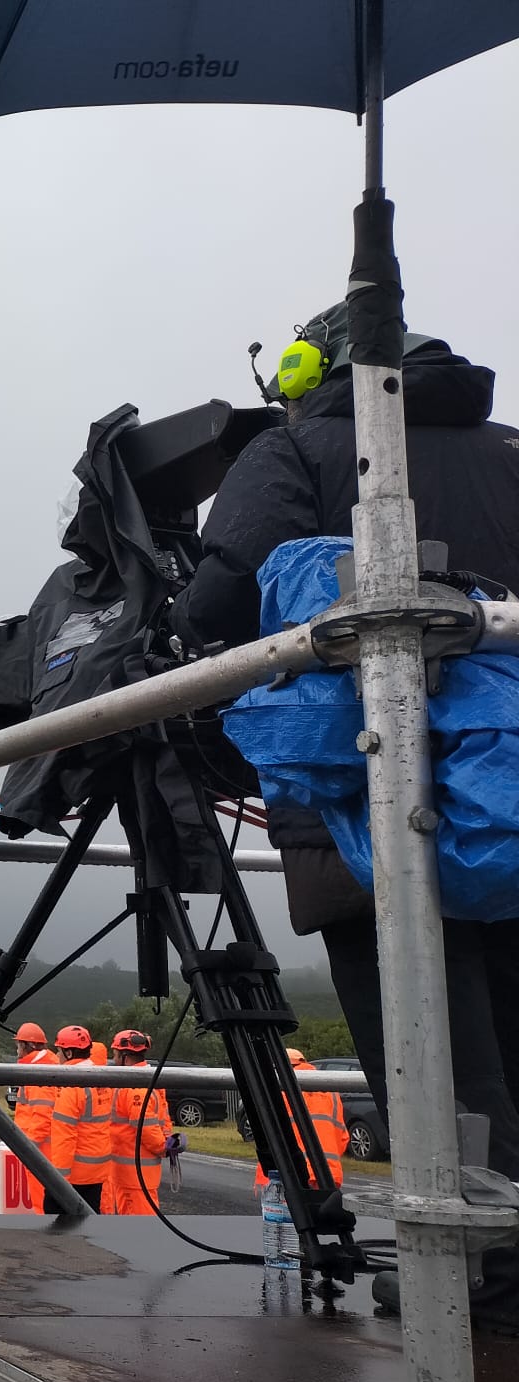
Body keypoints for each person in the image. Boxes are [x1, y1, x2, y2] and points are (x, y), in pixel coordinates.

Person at [173, 304, 519, 1330]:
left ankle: (481, 1281)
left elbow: (215, 605)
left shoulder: (294, 448)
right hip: (509, 782)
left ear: (311, 369)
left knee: (431, 1049)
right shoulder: (509, 450)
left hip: (361, 791)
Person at [251, 1048, 347, 1192]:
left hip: (292, 1173)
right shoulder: (329, 1090)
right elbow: (343, 1137)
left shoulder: (280, 1087)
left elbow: (271, 1134)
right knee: (321, 1206)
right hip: (328, 1173)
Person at [47, 1024, 114, 1211]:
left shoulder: (71, 1086)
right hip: (97, 1172)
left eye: (59, 1051)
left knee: (56, 1222)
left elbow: (65, 1136)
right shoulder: (102, 1079)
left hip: (75, 1175)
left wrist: (58, 1180)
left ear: (68, 1053)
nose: (57, 1056)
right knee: (88, 1223)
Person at [105, 1029, 171, 1215]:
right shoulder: (148, 1079)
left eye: (115, 1054)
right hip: (135, 1173)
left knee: (140, 1224)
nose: (113, 1058)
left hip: (134, 1174)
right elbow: (163, 1117)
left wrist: (163, 1147)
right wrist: (168, 1141)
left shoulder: (136, 1086)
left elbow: (146, 1128)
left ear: (125, 1056)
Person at [11, 1021, 60, 1210]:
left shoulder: (40, 1071)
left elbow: (42, 1117)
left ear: (27, 1045)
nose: (17, 1049)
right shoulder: (44, 1065)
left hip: (41, 1151)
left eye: (18, 1044)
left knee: (41, 1201)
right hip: (44, 1148)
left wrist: (29, 1148)